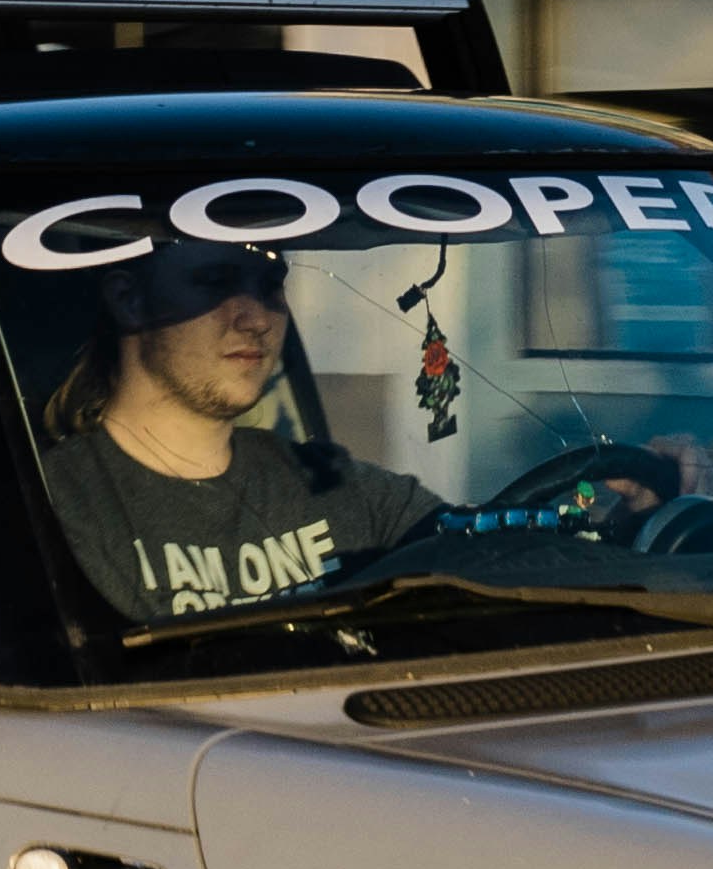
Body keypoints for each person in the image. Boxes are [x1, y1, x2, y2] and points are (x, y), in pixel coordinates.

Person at [31, 230, 442, 625]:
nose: (257, 319)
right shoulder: (57, 505)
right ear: (130, 300)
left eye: (270, 285)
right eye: (216, 283)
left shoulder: (335, 485)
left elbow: (479, 553)